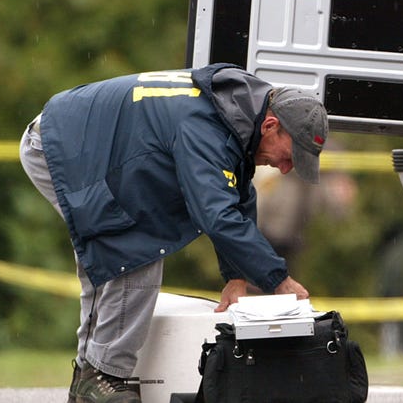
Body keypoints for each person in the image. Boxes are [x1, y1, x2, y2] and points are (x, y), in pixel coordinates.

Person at [19, 62, 328, 403]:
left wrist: (237, 276)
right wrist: (278, 280)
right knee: (133, 247)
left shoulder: (238, 112)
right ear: (271, 126)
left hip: (83, 142)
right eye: (289, 157)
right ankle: (100, 375)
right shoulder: (206, 125)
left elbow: (237, 194)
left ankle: (91, 378)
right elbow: (216, 214)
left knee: (126, 244)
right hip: (61, 146)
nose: (285, 169)